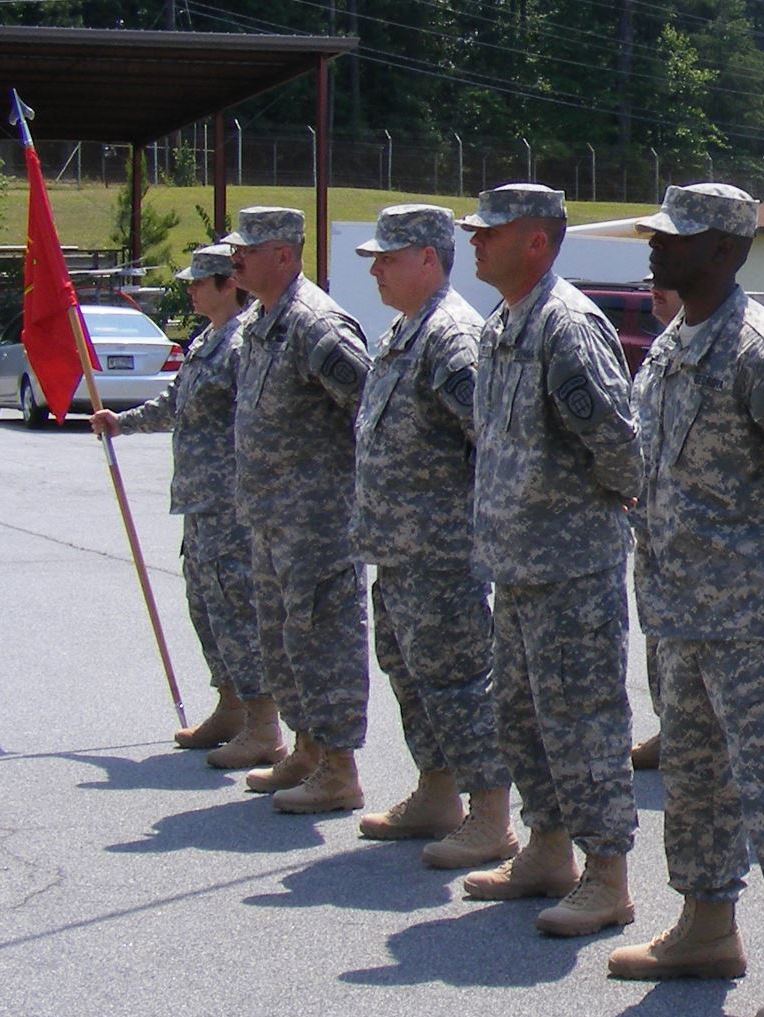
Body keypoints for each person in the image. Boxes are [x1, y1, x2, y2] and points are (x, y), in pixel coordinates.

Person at [604, 183, 764, 1017]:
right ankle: (707, 926)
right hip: (681, 610)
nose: (656, 248)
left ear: (723, 251)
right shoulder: (675, 347)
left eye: (676, 239)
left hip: (758, 617)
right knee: (699, 782)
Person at [459, 184, 642, 935]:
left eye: (490, 232)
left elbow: (621, 446)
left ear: (536, 241)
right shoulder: (503, 325)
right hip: (517, 565)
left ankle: (609, 874)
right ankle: (547, 847)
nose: (475, 242)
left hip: (571, 569)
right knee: (523, 716)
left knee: (583, 721)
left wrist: (585, 520)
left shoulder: (566, 327)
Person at [349, 205, 516, 869]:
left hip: (441, 552)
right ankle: (438, 789)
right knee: (410, 672)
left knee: (457, 680)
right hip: (397, 550)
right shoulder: (403, 332)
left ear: (428, 257)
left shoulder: (451, 337)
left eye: (389, 257)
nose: (378, 269)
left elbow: (493, 438)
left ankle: (492, 812)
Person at [91, 244, 277, 769]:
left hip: (233, 505)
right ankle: (231, 705)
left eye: (200, 282)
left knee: (238, 610)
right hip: (201, 503)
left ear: (228, 285)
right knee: (207, 608)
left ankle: (264, 725)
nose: (191, 290)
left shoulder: (244, 345)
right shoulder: (207, 342)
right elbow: (175, 404)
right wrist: (120, 422)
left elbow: (261, 420)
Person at [224, 206, 373, 815]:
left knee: (324, 643)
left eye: (248, 249)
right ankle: (309, 749)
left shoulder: (316, 325)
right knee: (284, 643)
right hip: (270, 521)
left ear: (285, 255)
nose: (235, 258)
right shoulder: (263, 321)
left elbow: (372, 408)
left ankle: (341, 768)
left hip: (317, 525)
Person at [631, 277, 683, 775]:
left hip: (698, 538)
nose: (656, 288)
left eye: (663, 282)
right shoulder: (665, 346)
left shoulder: (745, 347)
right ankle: (672, 724)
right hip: (653, 527)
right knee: (659, 630)